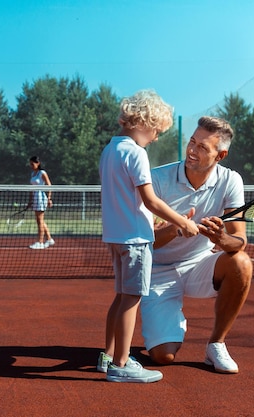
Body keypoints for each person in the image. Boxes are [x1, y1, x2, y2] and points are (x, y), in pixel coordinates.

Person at [98, 89, 199, 383]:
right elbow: (151, 199)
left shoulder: (110, 150)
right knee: (131, 299)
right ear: (143, 122)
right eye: (156, 130)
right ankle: (121, 364)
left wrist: (148, 218)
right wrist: (182, 222)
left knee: (121, 297)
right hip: (135, 241)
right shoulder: (136, 153)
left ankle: (107, 357)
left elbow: (129, 199)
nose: (155, 137)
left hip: (116, 238)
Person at [140, 116, 253, 374]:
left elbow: (239, 240)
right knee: (162, 356)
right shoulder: (156, 179)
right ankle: (170, 323)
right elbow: (147, 243)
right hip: (157, 270)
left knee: (241, 262)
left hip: (198, 265)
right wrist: (176, 228)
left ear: (220, 155)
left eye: (203, 147)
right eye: (192, 142)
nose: (192, 150)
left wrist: (221, 239)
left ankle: (216, 344)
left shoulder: (231, 181)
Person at [28, 156, 55, 250]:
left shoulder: (42, 173)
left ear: (38, 163)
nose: (31, 165)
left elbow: (49, 185)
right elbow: (31, 188)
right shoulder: (32, 174)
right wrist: (30, 201)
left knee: (40, 220)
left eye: (32, 164)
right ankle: (49, 239)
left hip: (41, 198)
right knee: (40, 220)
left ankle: (40, 242)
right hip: (35, 197)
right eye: (30, 164)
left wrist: (49, 199)